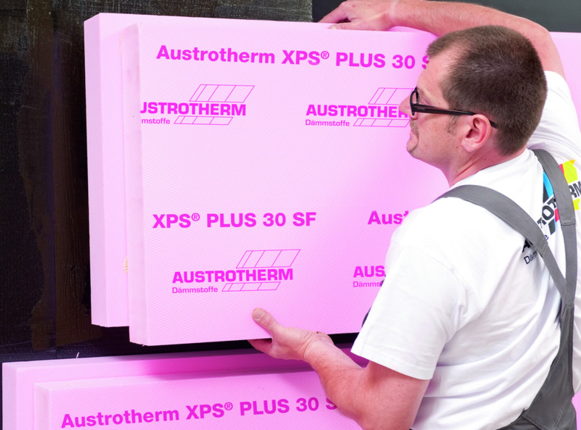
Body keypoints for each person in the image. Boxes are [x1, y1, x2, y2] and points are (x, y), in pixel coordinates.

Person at [248, 1, 581, 428]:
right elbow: (534, 39)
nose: (406, 109)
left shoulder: (438, 236)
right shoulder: (563, 158)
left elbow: (382, 415)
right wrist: (392, 11)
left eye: (422, 101)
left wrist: (314, 349)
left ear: (474, 130)